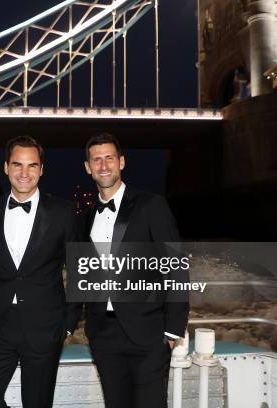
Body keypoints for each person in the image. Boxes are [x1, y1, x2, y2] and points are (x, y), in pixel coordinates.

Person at [66, 133, 189, 408]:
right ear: (88, 167)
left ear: (121, 162)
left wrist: (171, 332)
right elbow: (80, 276)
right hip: (103, 335)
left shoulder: (151, 206)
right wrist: (66, 325)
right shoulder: (84, 218)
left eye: (109, 158)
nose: (103, 165)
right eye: (96, 160)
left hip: (149, 334)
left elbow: (176, 268)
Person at [0, 136, 75, 408]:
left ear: (41, 169)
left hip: (45, 326)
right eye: (17, 165)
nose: (24, 173)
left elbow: (79, 269)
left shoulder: (63, 212)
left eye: (32, 166)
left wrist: (68, 323)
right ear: (6, 167)